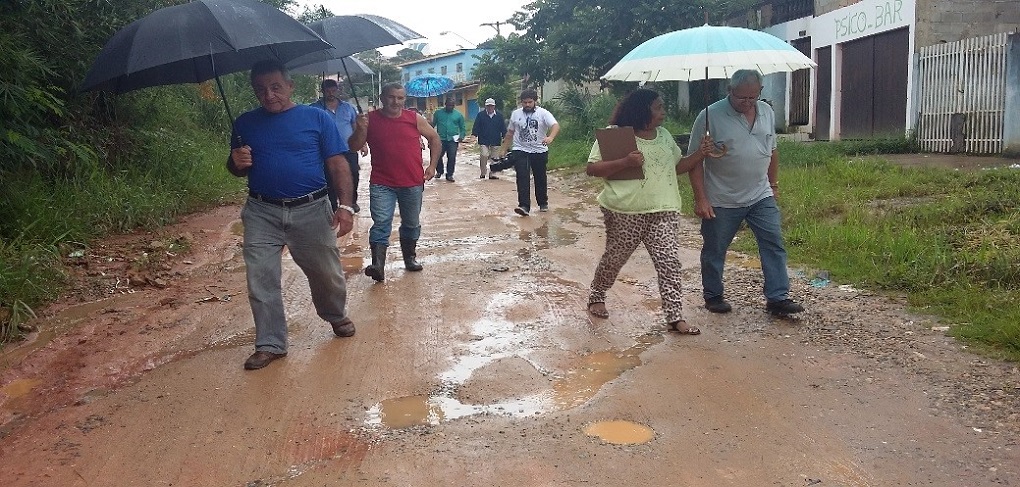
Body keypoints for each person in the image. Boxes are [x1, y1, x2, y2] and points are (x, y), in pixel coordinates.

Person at [227, 60, 357, 371]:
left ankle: (335, 315)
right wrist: (236, 162)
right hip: (261, 212)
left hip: (312, 210)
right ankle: (270, 343)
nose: (268, 94)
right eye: (260, 89)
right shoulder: (244, 123)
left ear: (290, 86)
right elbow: (235, 169)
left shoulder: (317, 118)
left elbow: (339, 165)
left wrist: (346, 206)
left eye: (275, 87)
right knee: (261, 278)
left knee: (327, 274)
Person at [586, 89, 713, 335]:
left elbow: (678, 167)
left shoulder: (664, 136)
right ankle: (597, 294)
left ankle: (675, 316)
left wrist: (700, 154)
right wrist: (624, 162)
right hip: (624, 211)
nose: (663, 111)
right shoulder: (616, 136)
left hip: (663, 210)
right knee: (615, 259)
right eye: (658, 107)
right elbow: (592, 169)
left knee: (669, 262)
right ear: (641, 110)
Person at [687, 69, 805, 317]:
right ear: (730, 91)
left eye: (753, 97)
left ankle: (777, 298)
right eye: (742, 98)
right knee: (715, 249)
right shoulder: (709, 116)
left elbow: (772, 151)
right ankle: (714, 295)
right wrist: (701, 198)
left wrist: (773, 185)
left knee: (773, 243)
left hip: (760, 194)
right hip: (721, 198)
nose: (748, 103)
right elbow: (694, 161)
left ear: (760, 92)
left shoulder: (767, 111)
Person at [348, 82, 441, 282]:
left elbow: (434, 138)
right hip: (382, 183)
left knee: (411, 223)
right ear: (382, 98)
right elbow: (353, 146)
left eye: (400, 98)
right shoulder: (368, 120)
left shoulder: (414, 118)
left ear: (404, 100)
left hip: (412, 182)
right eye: (391, 97)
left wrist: (432, 166)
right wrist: (360, 129)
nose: (395, 101)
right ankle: (378, 265)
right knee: (381, 223)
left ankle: (410, 258)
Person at [310, 79, 367, 213]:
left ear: (338, 90)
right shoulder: (314, 109)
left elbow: (355, 127)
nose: (331, 93)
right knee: (329, 178)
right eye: (327, 91)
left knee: (353, 173)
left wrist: (363, 143)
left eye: (333, 90)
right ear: (322, 91)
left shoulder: (348, 108)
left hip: (348, 148)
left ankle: (352, 202)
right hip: (326, 150)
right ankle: (333, 204)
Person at [500, 89, 559, 216]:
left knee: (540, 177)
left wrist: (551, 137)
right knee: (522, 177)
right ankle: (524, 206)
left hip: (539, 150)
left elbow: (555, 125)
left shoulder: (543, 113)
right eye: (525, 102)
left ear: (535, 101)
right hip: (520, 149)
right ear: (521, 102)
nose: (527, 105)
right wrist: (504, 149)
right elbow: (510, 132)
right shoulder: (516, 114)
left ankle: (543, 202)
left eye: (530, 102)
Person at [432, 98, 466, 182]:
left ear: (454, 106)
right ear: (445, 104)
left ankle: (450, 175)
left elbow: (462, 128)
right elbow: (433, 125)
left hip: (453, 140)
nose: (450, 107)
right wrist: (431, 137)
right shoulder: (438, 113)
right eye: (449, 105)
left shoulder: (458, 115)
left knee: (451, 157)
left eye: (452, 105)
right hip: (441, 139)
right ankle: (439, 171)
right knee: (438, 156)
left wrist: (461, 136)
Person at [471, 98, 506, 179]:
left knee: (495, 158)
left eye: (491, 106)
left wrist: (505, 136)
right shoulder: (480, 115)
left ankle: (492, 174)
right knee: (484, 154)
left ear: (494, 106)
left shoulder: (499, 116)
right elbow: (476, 126)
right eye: (488, 106)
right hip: (484, 139)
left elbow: (503, 127)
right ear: (485, 106)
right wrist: (474, 134)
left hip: (496, 139)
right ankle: (483, 172)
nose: (490, 107)